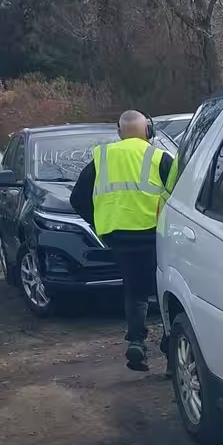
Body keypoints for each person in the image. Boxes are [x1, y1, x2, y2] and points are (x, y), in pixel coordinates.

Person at [71, 111, 173, 372]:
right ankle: (171, 345)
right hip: (156, 236)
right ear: (148, 131)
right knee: (166, 290)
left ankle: (137, 342)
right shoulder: (159, 157)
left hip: (119, 238)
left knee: (135, 291)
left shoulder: (102, 157)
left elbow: (77, 199)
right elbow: (180, 195)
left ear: (119, 132)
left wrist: (100, 224)